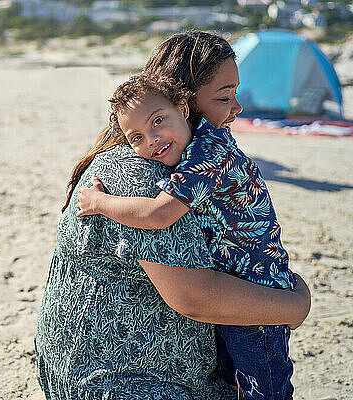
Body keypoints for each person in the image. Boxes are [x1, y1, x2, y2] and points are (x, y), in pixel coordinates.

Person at [35, 32, 311, 399]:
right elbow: (192, 295)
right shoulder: (145, 172)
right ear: (185, 101)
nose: (237, 107)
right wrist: (295, 306)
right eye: (224, 95)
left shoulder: (190, 155)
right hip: (125, 378)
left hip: (103, 365)